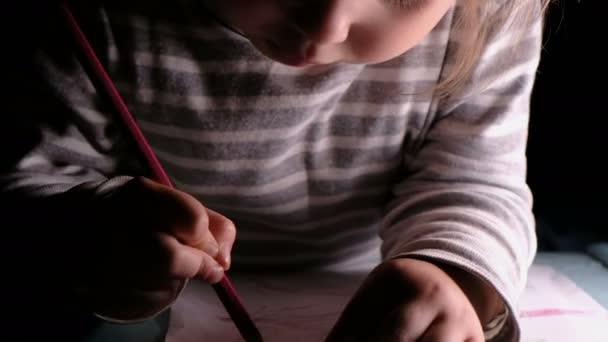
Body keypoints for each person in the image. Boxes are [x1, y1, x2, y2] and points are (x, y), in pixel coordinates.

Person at [1, 0, 548, 340]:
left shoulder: (488, 12)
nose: (327, 22)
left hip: (366, 287)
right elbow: (27, 185)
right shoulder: (95, 12)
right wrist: (83, 232)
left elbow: (474, 181)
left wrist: (452, 276)